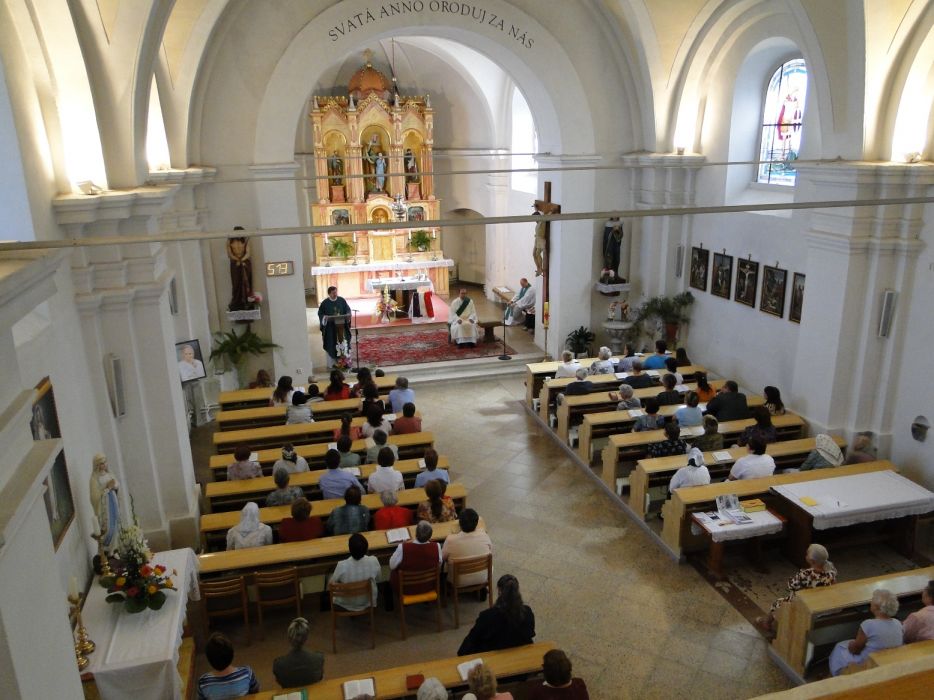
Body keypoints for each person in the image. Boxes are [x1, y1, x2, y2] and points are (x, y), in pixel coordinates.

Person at [757, 544, 837, 637]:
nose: (805, 555)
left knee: (778, 603)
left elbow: (792, 586)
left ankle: (767, 623)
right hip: (821, 603)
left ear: (812, 561)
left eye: (807, 554)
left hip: (805, 605)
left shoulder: (806, 574)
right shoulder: (831, 572)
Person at [829, 588, 903, 676]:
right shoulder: (898, 623)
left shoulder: (868, 624)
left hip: (869, 662)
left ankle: (836, 675)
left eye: (872, 600)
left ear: (876, 606)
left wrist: (851, 644)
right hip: (888, 659)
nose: (870, 602)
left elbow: (855, 650)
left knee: (839, 647)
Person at [458, 574, 535, 655]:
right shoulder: (527, 612)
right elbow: (529, 635)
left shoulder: (487, 616)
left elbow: (470, 641)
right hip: (520, 654)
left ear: (499, 592)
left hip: (493, 655)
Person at [197, 632, 259, 699]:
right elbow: (255, 694)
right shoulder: (247, 673)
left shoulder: (203, 682)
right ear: (232, 654)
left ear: (209, 659)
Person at [330, 532, 382, 611]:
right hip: (368, 601)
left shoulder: (341, 565)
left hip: (346, 603)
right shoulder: (374, 561)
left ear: (349, 549)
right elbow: (378, 579)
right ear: (366, 549)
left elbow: (331, 584)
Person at [389, 520, 442, 598]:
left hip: (406, 589)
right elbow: (439, 565)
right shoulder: (437, 546)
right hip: (429, 586)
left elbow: (391, 566)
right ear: (430, 536)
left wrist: (405, 546)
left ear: (416, 533)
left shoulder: (403, 547)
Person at [442, 508, 492, 587]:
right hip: (483, 577)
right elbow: (490, 551)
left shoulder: (450, 540)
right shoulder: (484, 536)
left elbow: (443, 558)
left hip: (457, 581)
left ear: (460, 524)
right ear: (476, 523)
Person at [272, 617, 324, 689]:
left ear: (289, 638)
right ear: (306, 638)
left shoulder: (278, 665)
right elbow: (320, 677)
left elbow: (279, 681)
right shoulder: (318, 658)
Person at [89, 453, 121, 550]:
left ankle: (114, 549)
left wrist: (114, 485)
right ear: (97, 465)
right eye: (102, 463)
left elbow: (117, 484)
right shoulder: (95, 478)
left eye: (105, 462)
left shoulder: (109, 474)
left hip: (113, 500)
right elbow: (95, 496)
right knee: (108, 527)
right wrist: (106, 489)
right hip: (104, 505)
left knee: (115, 523)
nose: (104, 465)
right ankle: (106, 549)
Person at [318, 286, 351, 367]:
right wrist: (324, 317)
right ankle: (333, 363)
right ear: (329, 294)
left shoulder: (341, 300)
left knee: (343, 342)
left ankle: (345, 361)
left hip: (341, 327)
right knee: (331, 343)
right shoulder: (325, 303)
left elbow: (347, 309)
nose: (335, 294)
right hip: (330, 328)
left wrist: (347, 314)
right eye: (333, 293)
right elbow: (320, 313)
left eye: (336, 292)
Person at [226, 232, 253, 312]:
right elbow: (229, 254)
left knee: (247, 281)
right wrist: (237, 260)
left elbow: (248, 253)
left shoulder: (246, 240)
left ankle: (247, 301)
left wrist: (241, 260)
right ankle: (236, 301)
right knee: (236, 282)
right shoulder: (229, 241)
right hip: (235, 263)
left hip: (245, 262)